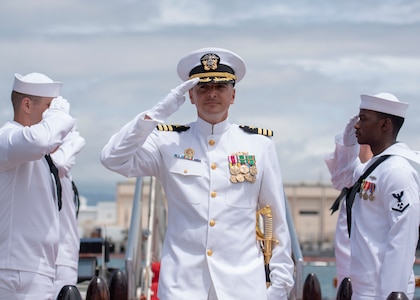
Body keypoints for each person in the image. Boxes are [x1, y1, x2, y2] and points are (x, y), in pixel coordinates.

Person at [101, 47, 294, 299]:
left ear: (233, 95)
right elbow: (112, 157)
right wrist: (157, 113)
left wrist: (278, 287)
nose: (211, 93)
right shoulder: (167, 141)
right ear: (190, 96)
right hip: (183, 286)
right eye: (203, 87)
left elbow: (276, 220)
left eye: (220, 87)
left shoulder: (258, 144)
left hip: (243, 287)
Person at [325, 92, 420, 299]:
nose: (357, 125)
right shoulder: (374, 167)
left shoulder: (397, 171)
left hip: (382, 292)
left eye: (364, 119)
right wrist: (347, 144)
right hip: (362, 289)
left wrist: (393, 294)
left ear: (385, 125)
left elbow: (402, 241)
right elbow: (342, 178)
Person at [0, 73, 75, 299]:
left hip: (36, 270)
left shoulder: (37, 154)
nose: (53, 114)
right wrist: (59, 115)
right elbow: (41, 140)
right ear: (26, 104)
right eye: (49, 107)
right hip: (15, 271)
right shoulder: (7, 138)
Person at [52, 127, 86, 298]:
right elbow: (61, 163)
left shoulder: (65, 175)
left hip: (65, 259)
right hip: (56, 261)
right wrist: (73, 139)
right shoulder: (51, 165)